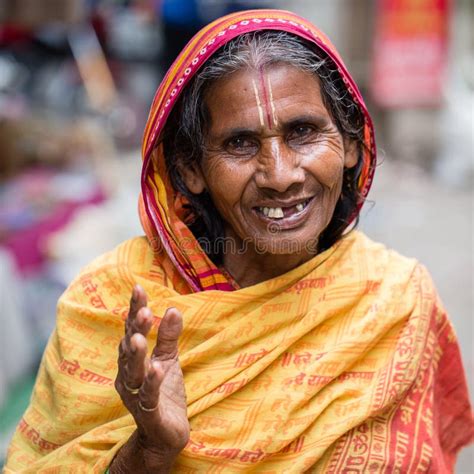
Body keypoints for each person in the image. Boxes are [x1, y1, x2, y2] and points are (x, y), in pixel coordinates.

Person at [5, 9, 473, 473]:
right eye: (239, 144)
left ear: (351, 143)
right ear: (190, 168)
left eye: (303, 132)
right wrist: (148, 451)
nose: (280, 175)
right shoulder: (107, 307)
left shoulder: (397, 302)